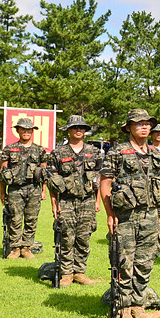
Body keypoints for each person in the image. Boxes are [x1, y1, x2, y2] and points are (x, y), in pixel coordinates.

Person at [99, 109, 160, 318]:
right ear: (129, 127)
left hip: (150, 216)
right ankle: (122, 307)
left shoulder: (157, 154)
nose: (144, 127)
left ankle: (138, 304)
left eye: (147, 123)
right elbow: (105, 183)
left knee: (145, 262)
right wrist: (110, 214)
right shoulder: (118, 152)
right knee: (123, 262)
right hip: (125, 217)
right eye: (139, 123)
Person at [45, 115, 103, 285]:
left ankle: (80, 271)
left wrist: (97, 202)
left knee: (84, 237)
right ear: (68, 130)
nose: (79, 130)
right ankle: (66, 273)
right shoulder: (58, 153)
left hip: (87, 201)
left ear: (85, 131)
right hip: (66, 201)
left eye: (82, 128)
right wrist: (54, 204)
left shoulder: (94, 152)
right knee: (66, 237)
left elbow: (99, 181)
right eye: (75, 127)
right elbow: (52, 181)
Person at [0, 117, 48, 259]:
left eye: (28, 130)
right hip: (15, 189)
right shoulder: (9, 149)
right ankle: (15, 248)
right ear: (17, 131)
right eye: (23, 129)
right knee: (15, 218)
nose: (26, 132)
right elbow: (3, 173)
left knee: (32, 219)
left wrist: (43, 191)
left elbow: (44, 173)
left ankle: (26, 247)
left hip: (34, 189)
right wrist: (2, 192)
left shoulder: (39, 150)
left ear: (32, 131)